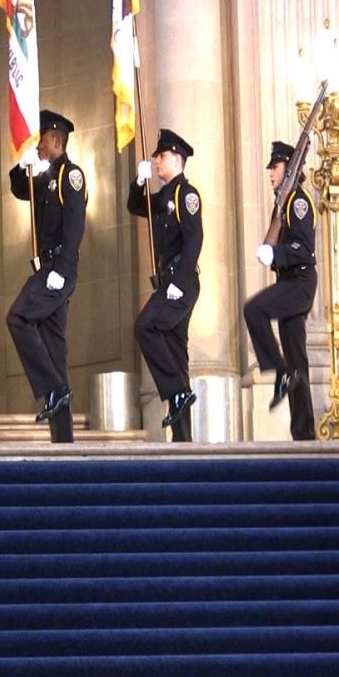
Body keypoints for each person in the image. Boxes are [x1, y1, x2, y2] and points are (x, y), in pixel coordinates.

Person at [6, 109, 86, 443]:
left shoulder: (70, 175)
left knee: (18, 318)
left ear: (55, 139)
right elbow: (18, 189)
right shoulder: (44, 174)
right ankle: (63, 438)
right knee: (54, 349)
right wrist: (21, 165)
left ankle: (52, 390)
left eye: (40, 140)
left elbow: (75, 224)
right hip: (48, 269)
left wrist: (64, 270)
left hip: (57, 269)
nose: (37, 145)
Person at [127, 128, 203, 442]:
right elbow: (135, 206)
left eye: (160, 156)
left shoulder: (186, 194)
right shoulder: (164, 196)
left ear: (175, 157)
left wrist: (180, 282)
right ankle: (182, 437)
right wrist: (139, 181)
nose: (156, 161)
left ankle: (177, 391)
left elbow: (194, 239)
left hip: (180, 282)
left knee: (145, 326)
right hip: (170, 281)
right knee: (174, 352)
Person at [243, 139, 318, 441]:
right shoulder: (284, 204)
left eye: (275, 166)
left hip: (298, 283)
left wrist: (276, 255)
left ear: (290, 167)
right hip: (289, 281)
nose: (270, 173)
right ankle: (304, 432)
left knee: (254, 309)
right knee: (298, 360)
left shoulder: (298, 202)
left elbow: (303, 248)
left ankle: (279, 369)